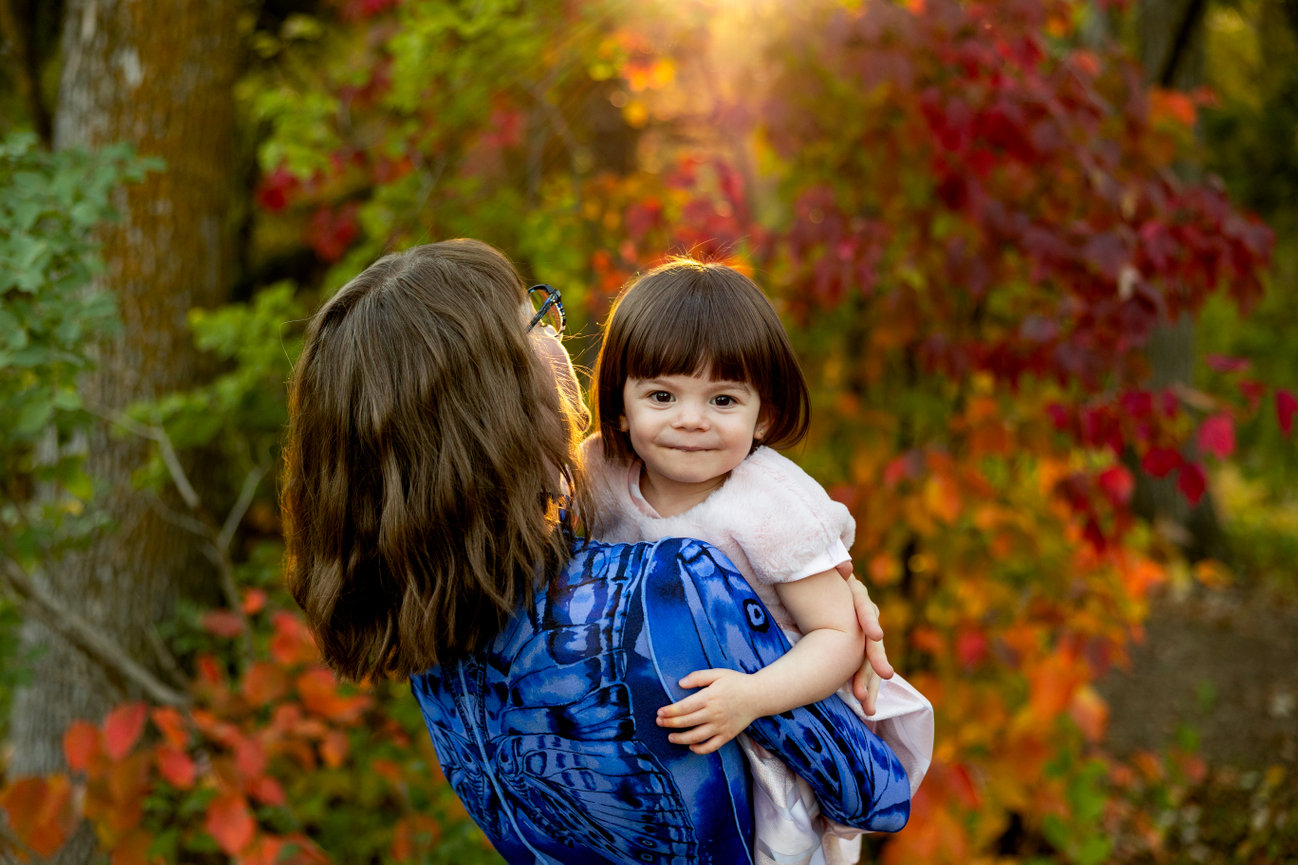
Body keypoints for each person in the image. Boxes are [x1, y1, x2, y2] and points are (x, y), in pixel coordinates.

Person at [281, 239, 912, 865]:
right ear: (495, 398)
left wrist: (811, 576)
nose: (557, 342)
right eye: (533, 321)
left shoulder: (427, 623)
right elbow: (876, 796)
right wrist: (798, 627)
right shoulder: (672, 588)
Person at [581, 259, 934, 865]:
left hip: (767, 739)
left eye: (722, 399)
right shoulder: (600, 476)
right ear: (619, 405)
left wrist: (752, 696)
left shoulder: (770, 504)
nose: (691, 419)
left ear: (763, 414)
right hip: (648, 740)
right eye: (662, 395)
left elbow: (839, 636)